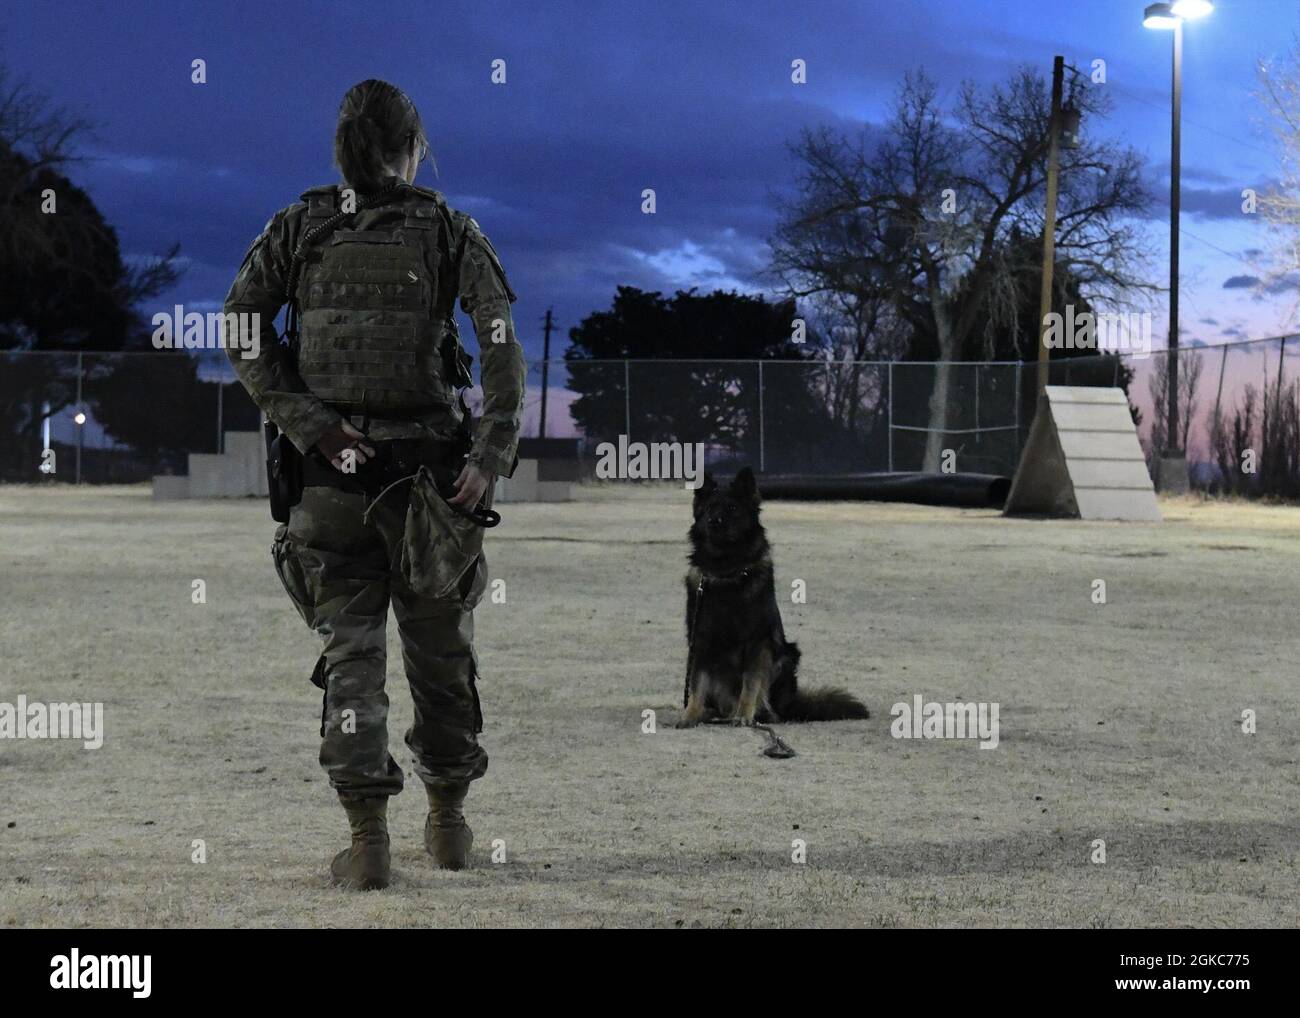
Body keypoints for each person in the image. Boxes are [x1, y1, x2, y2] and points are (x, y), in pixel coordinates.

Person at [223, 79, 525, 890]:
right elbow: (498, 339)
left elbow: (242, 325)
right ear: (412, 147)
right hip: (430, 489)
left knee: (352, 663)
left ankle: (367, 843)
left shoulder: (299, 226)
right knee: (442, 654)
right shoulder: (449, 230)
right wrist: (491, 451)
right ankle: (450, 826)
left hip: (332, 485)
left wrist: (309, 422)